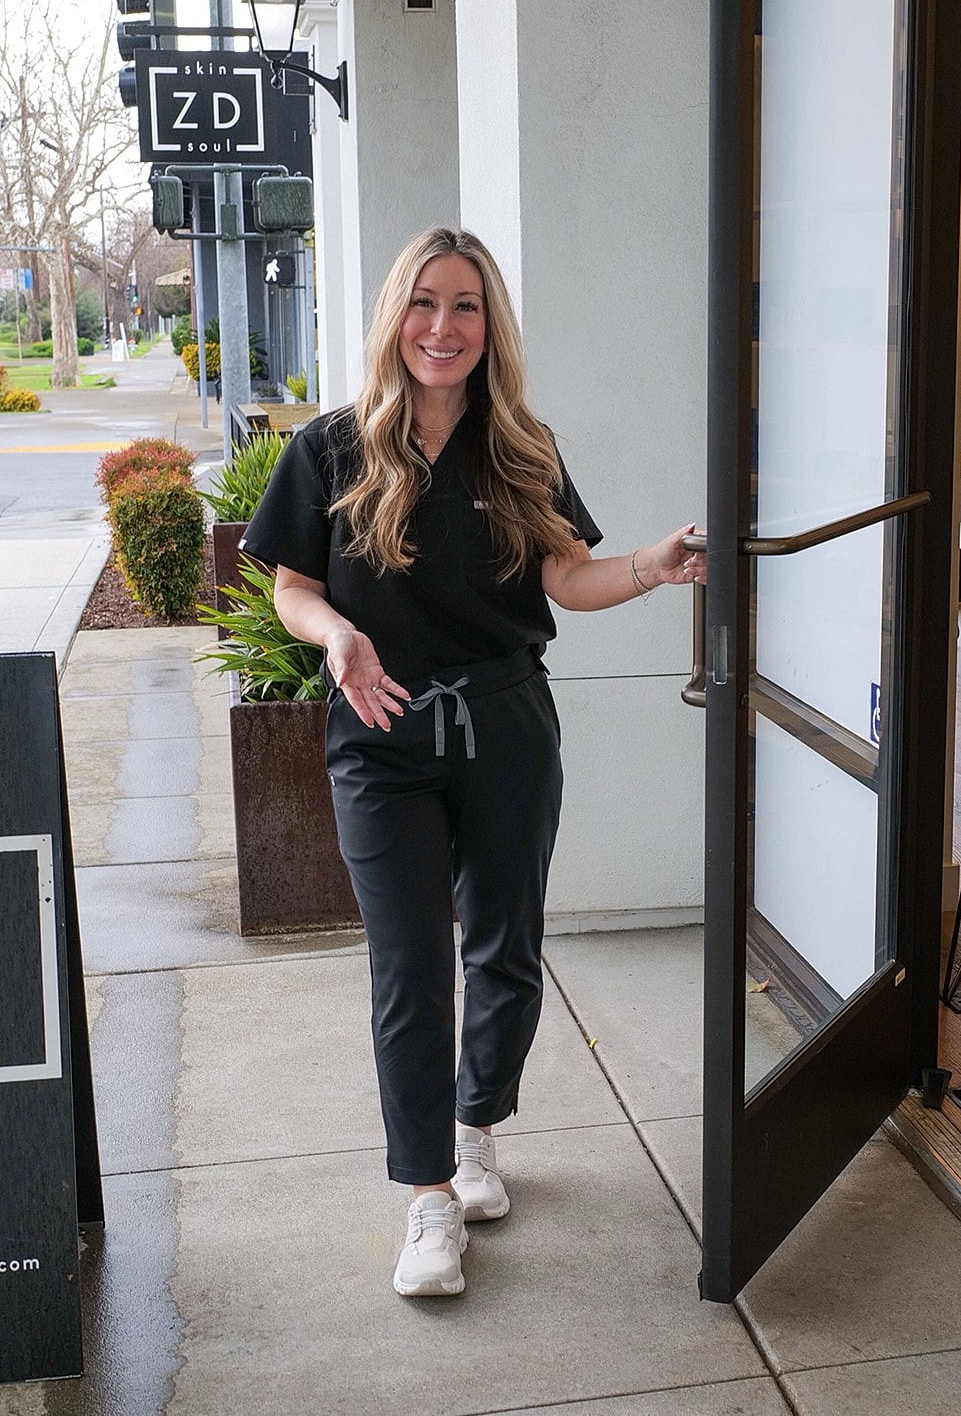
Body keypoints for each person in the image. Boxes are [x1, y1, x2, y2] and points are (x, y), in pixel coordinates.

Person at [241, 226, 706, 1298]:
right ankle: (427, 1198)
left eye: (465, 307)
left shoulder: (522, 447)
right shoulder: (332, 447)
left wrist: (652, 565)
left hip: (504, 726)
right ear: (394, 316)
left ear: (490, 325)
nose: (441, 328)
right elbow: (292, 585)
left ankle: (477, 1125)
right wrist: (335, 636)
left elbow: (570, 579)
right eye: (423, 303)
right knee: (410, 968)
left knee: (506, 949)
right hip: (381, 731)